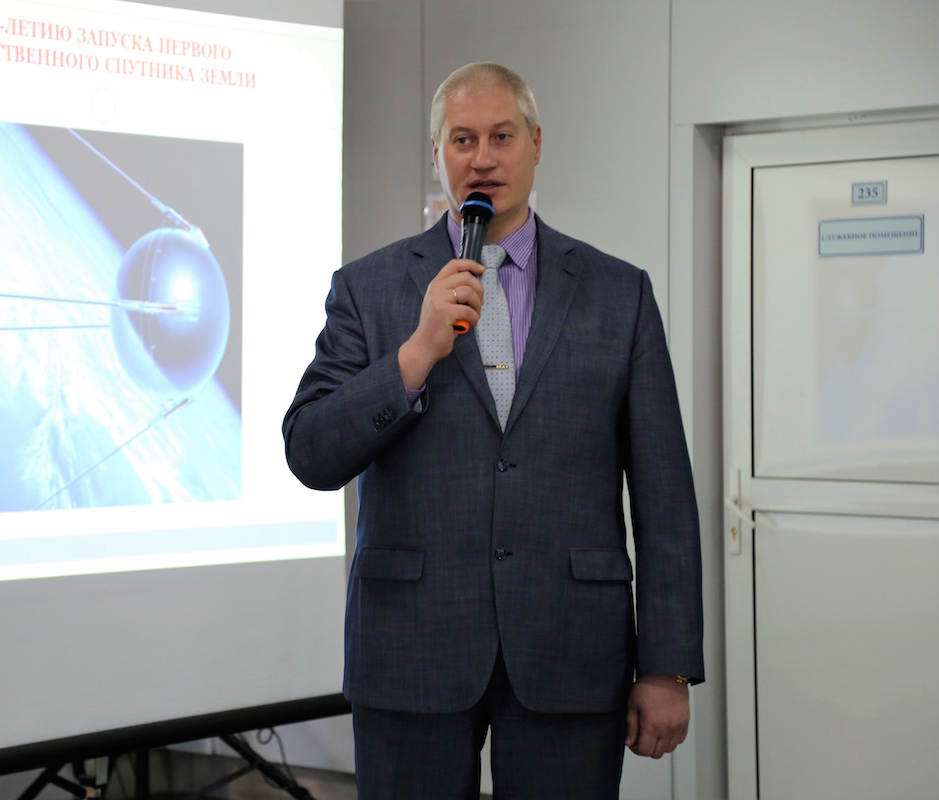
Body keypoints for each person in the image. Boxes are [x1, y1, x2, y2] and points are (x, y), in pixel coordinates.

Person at [282, 62, 703, 799]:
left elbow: (664, 494)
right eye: (463, 139)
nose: (482, 158)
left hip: (571, 646)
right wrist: (413, 356)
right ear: (437, 154)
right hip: (411, 647)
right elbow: (310, 452)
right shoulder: (368, 288)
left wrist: (665, 666)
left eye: (502, 137)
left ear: (536, 144)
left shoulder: (619, 293)